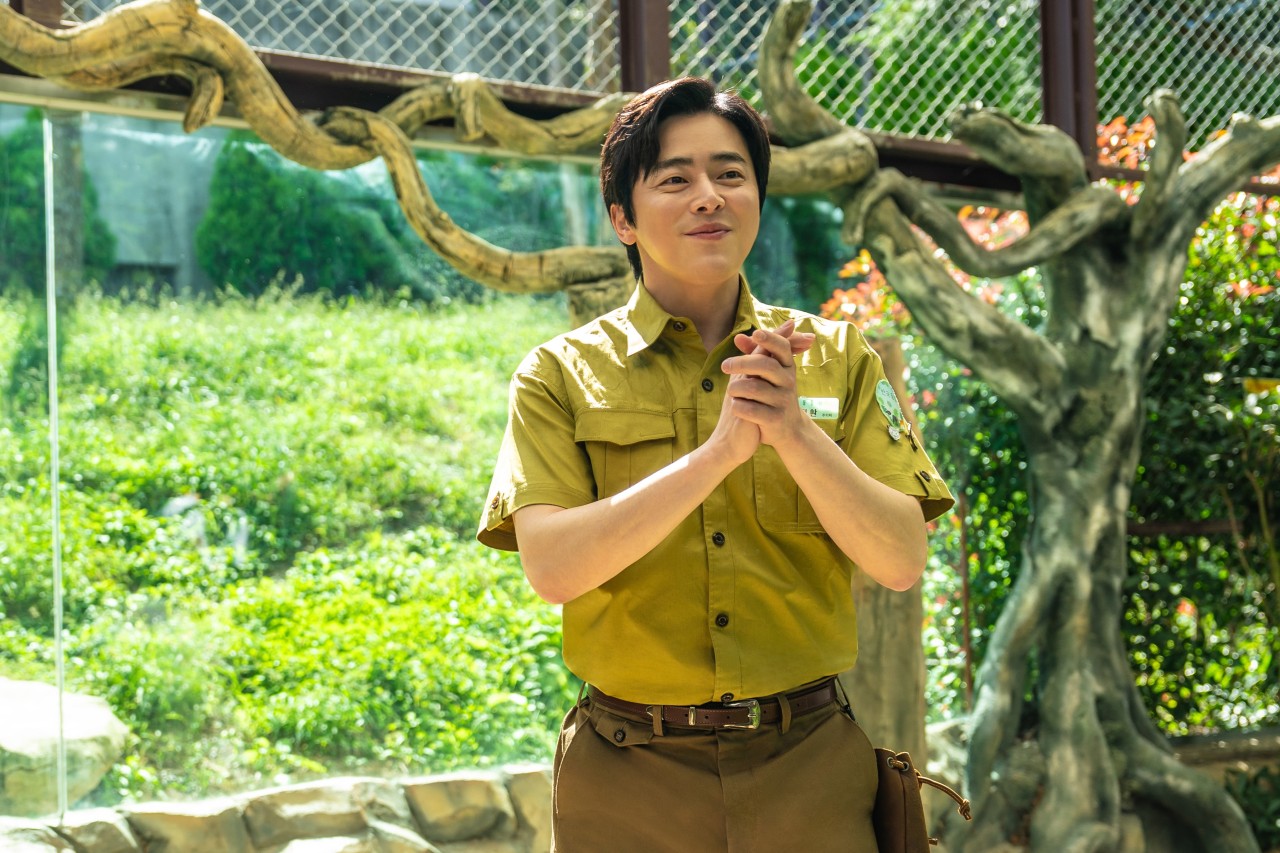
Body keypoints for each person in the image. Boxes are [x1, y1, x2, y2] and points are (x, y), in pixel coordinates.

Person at [477, 77, 954, 852]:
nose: (710, 196)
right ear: (623, 219)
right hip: (627, 782)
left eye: (731, 174)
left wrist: (793, 432)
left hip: (810, 769)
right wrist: (721, 453)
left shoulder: (837, 357)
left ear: (757, 200)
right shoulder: (557, 373)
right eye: (675, 179)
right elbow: (553, 567)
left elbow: (900, 558)